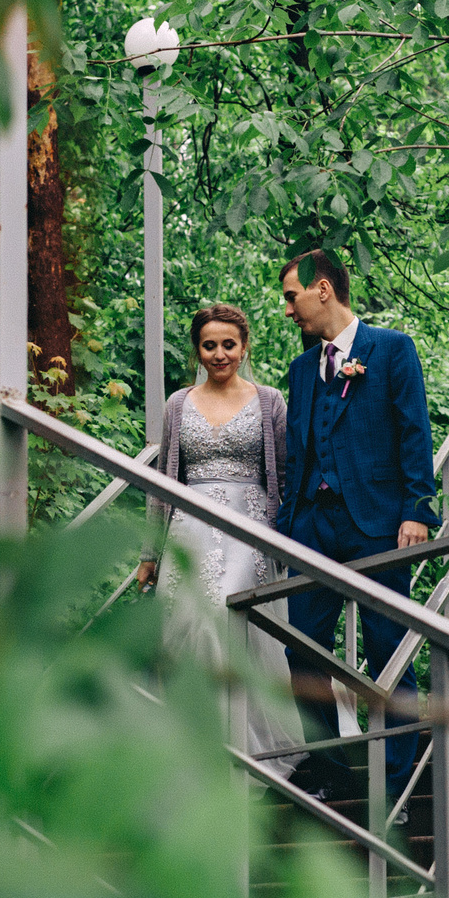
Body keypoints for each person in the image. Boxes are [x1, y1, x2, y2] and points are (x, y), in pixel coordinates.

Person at [271, 249, 438, 793]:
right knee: (301, 651)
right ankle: (331, 773)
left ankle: (395, 783)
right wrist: (284, 527)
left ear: (323, 289)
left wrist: (418, 510)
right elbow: (299, 454)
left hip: (378, 524)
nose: (288, 310)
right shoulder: (300, 370)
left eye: (292, 297)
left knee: (390, 650)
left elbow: (414, 431)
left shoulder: (390, 349)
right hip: (311, 530)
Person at [135, 304, 307, 778]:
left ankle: (246, 754)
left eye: (228, 344)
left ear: (244, 346)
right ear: (198, 349)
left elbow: (285, 474)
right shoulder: (177, 403)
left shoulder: (269, 401)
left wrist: (281, 538)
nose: (219, 354)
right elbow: (164, 483)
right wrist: (150, 554)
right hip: (188, 529)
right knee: (186, 630)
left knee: (227, 622)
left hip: (249, 528)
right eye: (209, 345)